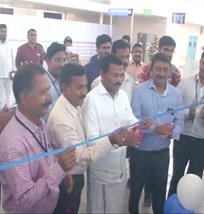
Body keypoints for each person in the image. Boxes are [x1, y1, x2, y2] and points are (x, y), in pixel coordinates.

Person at [47, 63, 141, 214]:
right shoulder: (62, 119)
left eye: (85, 86)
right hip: (70, 180)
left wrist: (138, 127)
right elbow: (82, 157)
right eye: (79, 87)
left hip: (100, 170)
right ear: (65, 88)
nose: (84, 92)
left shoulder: (74, 105)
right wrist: (113, 140)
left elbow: (130, 119)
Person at [0, 63, 77, 213]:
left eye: (49, 90)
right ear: (24, 98)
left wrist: (61, 175)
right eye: (43, 92)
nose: (50, 97)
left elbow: (46, 155)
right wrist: (59, 169)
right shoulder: (13, 145)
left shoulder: (39, 123)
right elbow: (24, 199)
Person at [82, 54, 152, 213]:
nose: (119, 80)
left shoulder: (122, 96)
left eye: (121, 75)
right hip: (101, 173)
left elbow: (130, 119)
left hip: (120, 170)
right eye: (115, 75)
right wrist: (119, 140)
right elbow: (92, 143)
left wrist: (140, 124)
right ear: (102, 74)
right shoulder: (92, 100)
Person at [129, 53, 184, 214]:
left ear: (169, 73)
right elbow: (134, 120)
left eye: (165, 70)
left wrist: (173, 133)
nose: (161, 73)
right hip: (140, 152)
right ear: (151, 70)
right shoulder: (140, 91)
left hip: (162, 153)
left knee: (160, 194)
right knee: (135, 192)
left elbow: (180, 122)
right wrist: (155, 129)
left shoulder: (176, 94)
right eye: (157, 69)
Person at [168, 49, 204, 197]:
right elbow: (174, 110)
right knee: (177, 176)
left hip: (202, 141)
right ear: (199, 63)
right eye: (203, 63)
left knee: (194, 180)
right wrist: (189, 113)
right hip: (183, 138)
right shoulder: (185, 83)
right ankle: (170, 207)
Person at [43, 42, 66, 121]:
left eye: (63, 60)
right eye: (57, 60)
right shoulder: (42, 83)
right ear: (47, 60)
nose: (61, 64)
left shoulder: (65, 80)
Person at [0, 24, 15, 108]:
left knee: (9, 95)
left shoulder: (9, 44)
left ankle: (9, 111)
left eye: (5, 31)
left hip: (9, 74)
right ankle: (1, 114)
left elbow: (12, 58)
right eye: (2, 31)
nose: (4, 33)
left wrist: (13, 70)